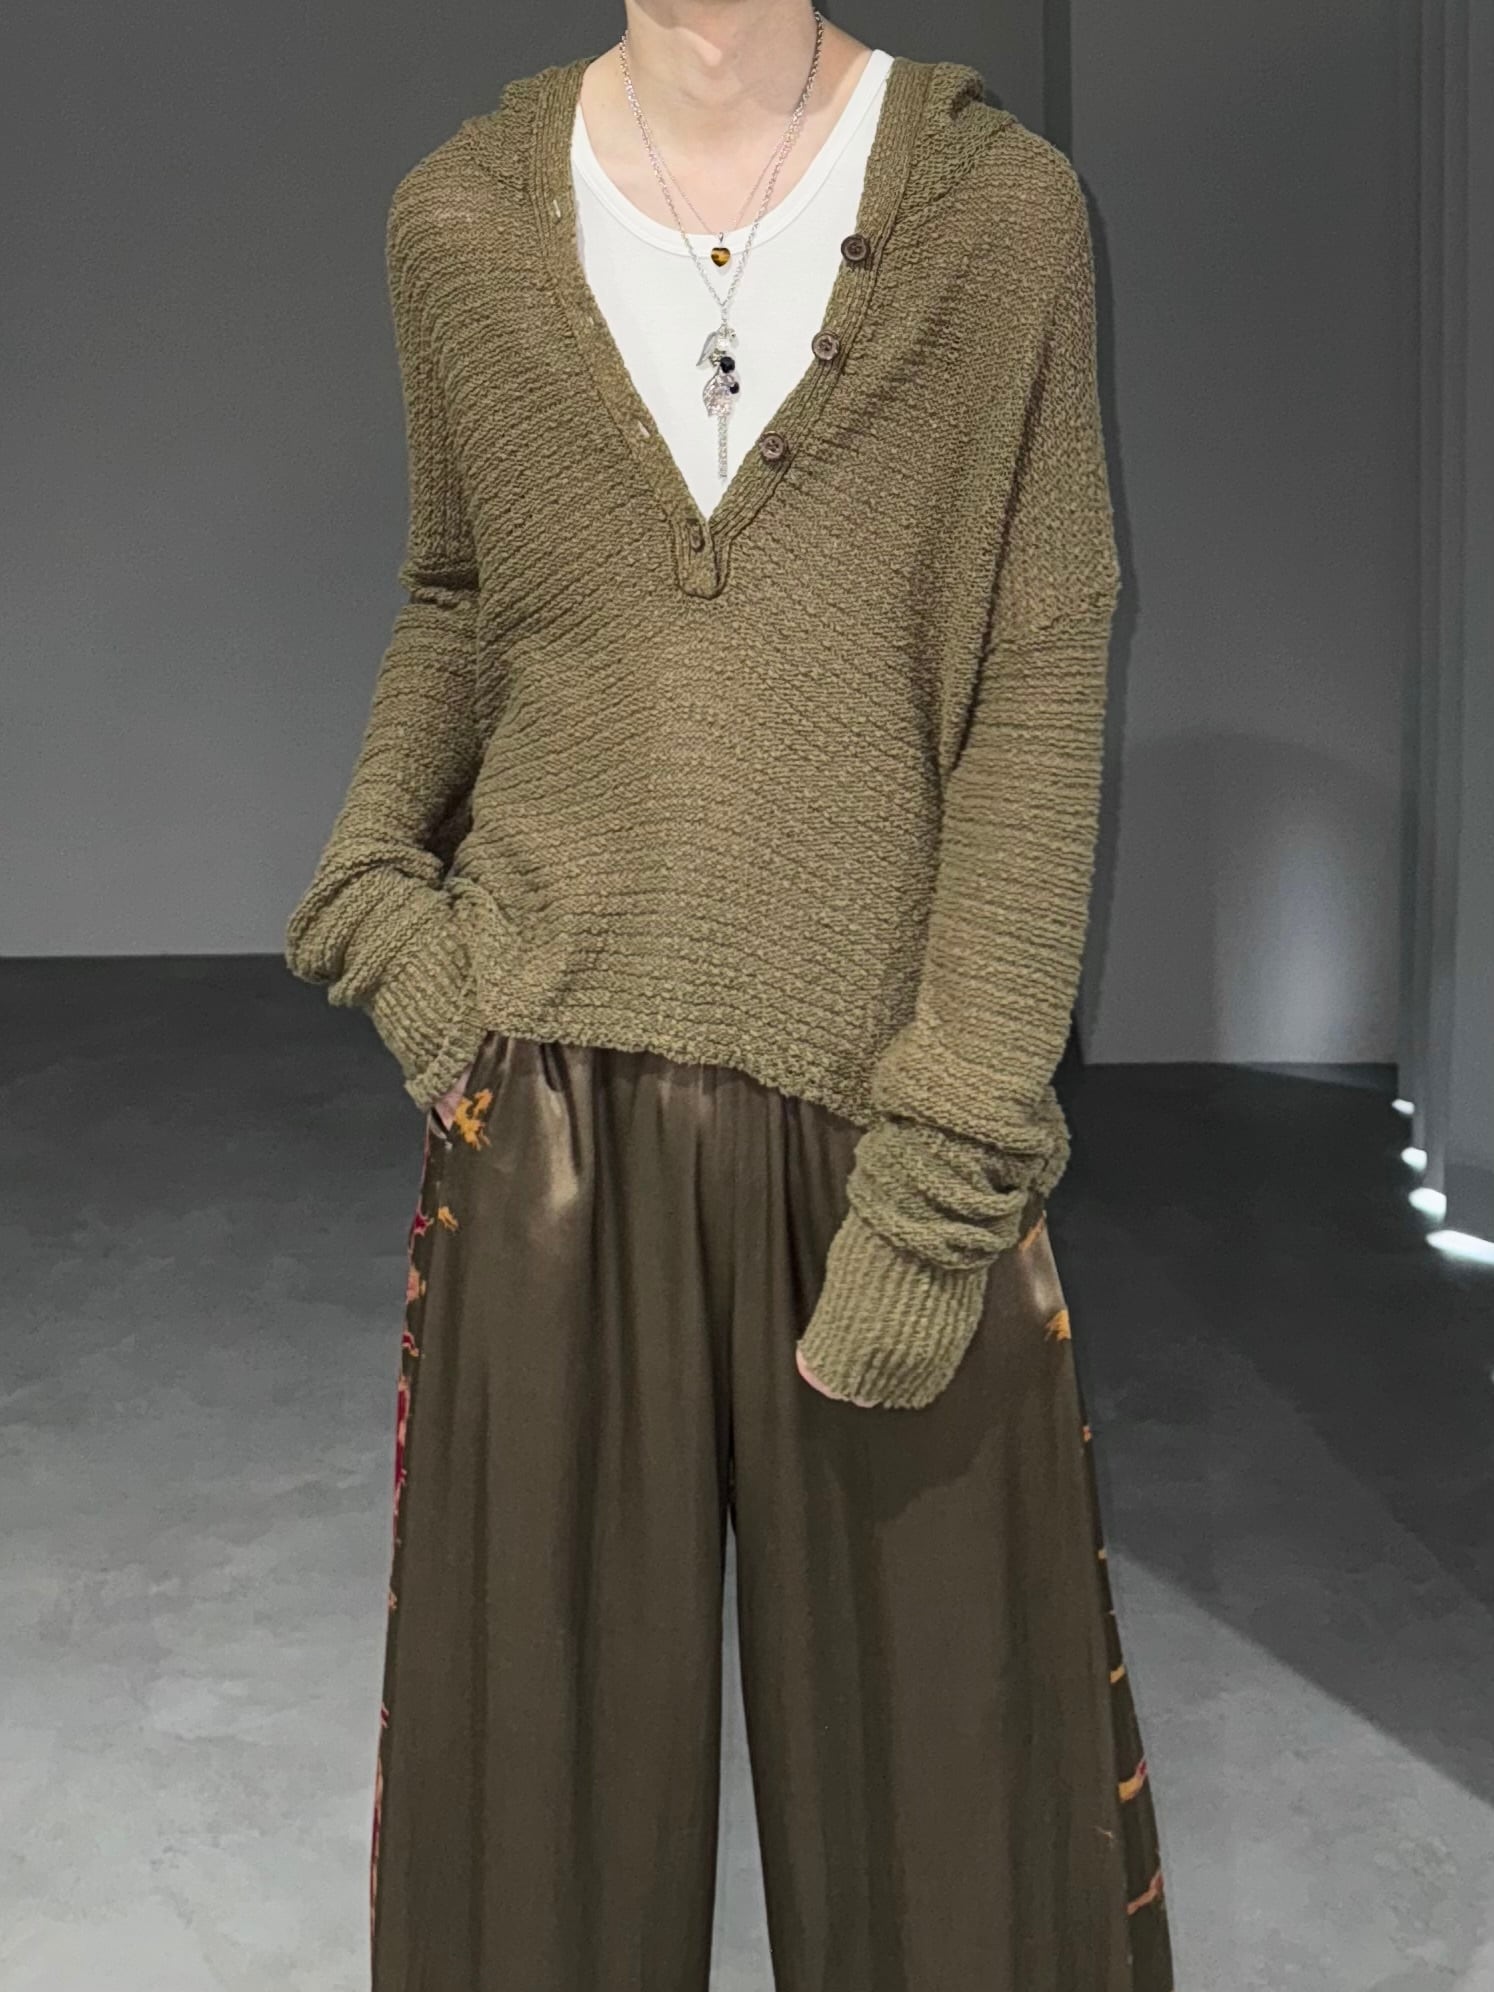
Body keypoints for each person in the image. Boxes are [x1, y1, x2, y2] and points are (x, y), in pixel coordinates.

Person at [284, 4, 1175, 1986]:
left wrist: (943, 1183)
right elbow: (455, 595)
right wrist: (378, 903)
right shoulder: (458, 220)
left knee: (959, 1852)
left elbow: (1040, 677)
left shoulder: (999, 217)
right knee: (531, 1856)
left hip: (886, 1119)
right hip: (547, 1114)